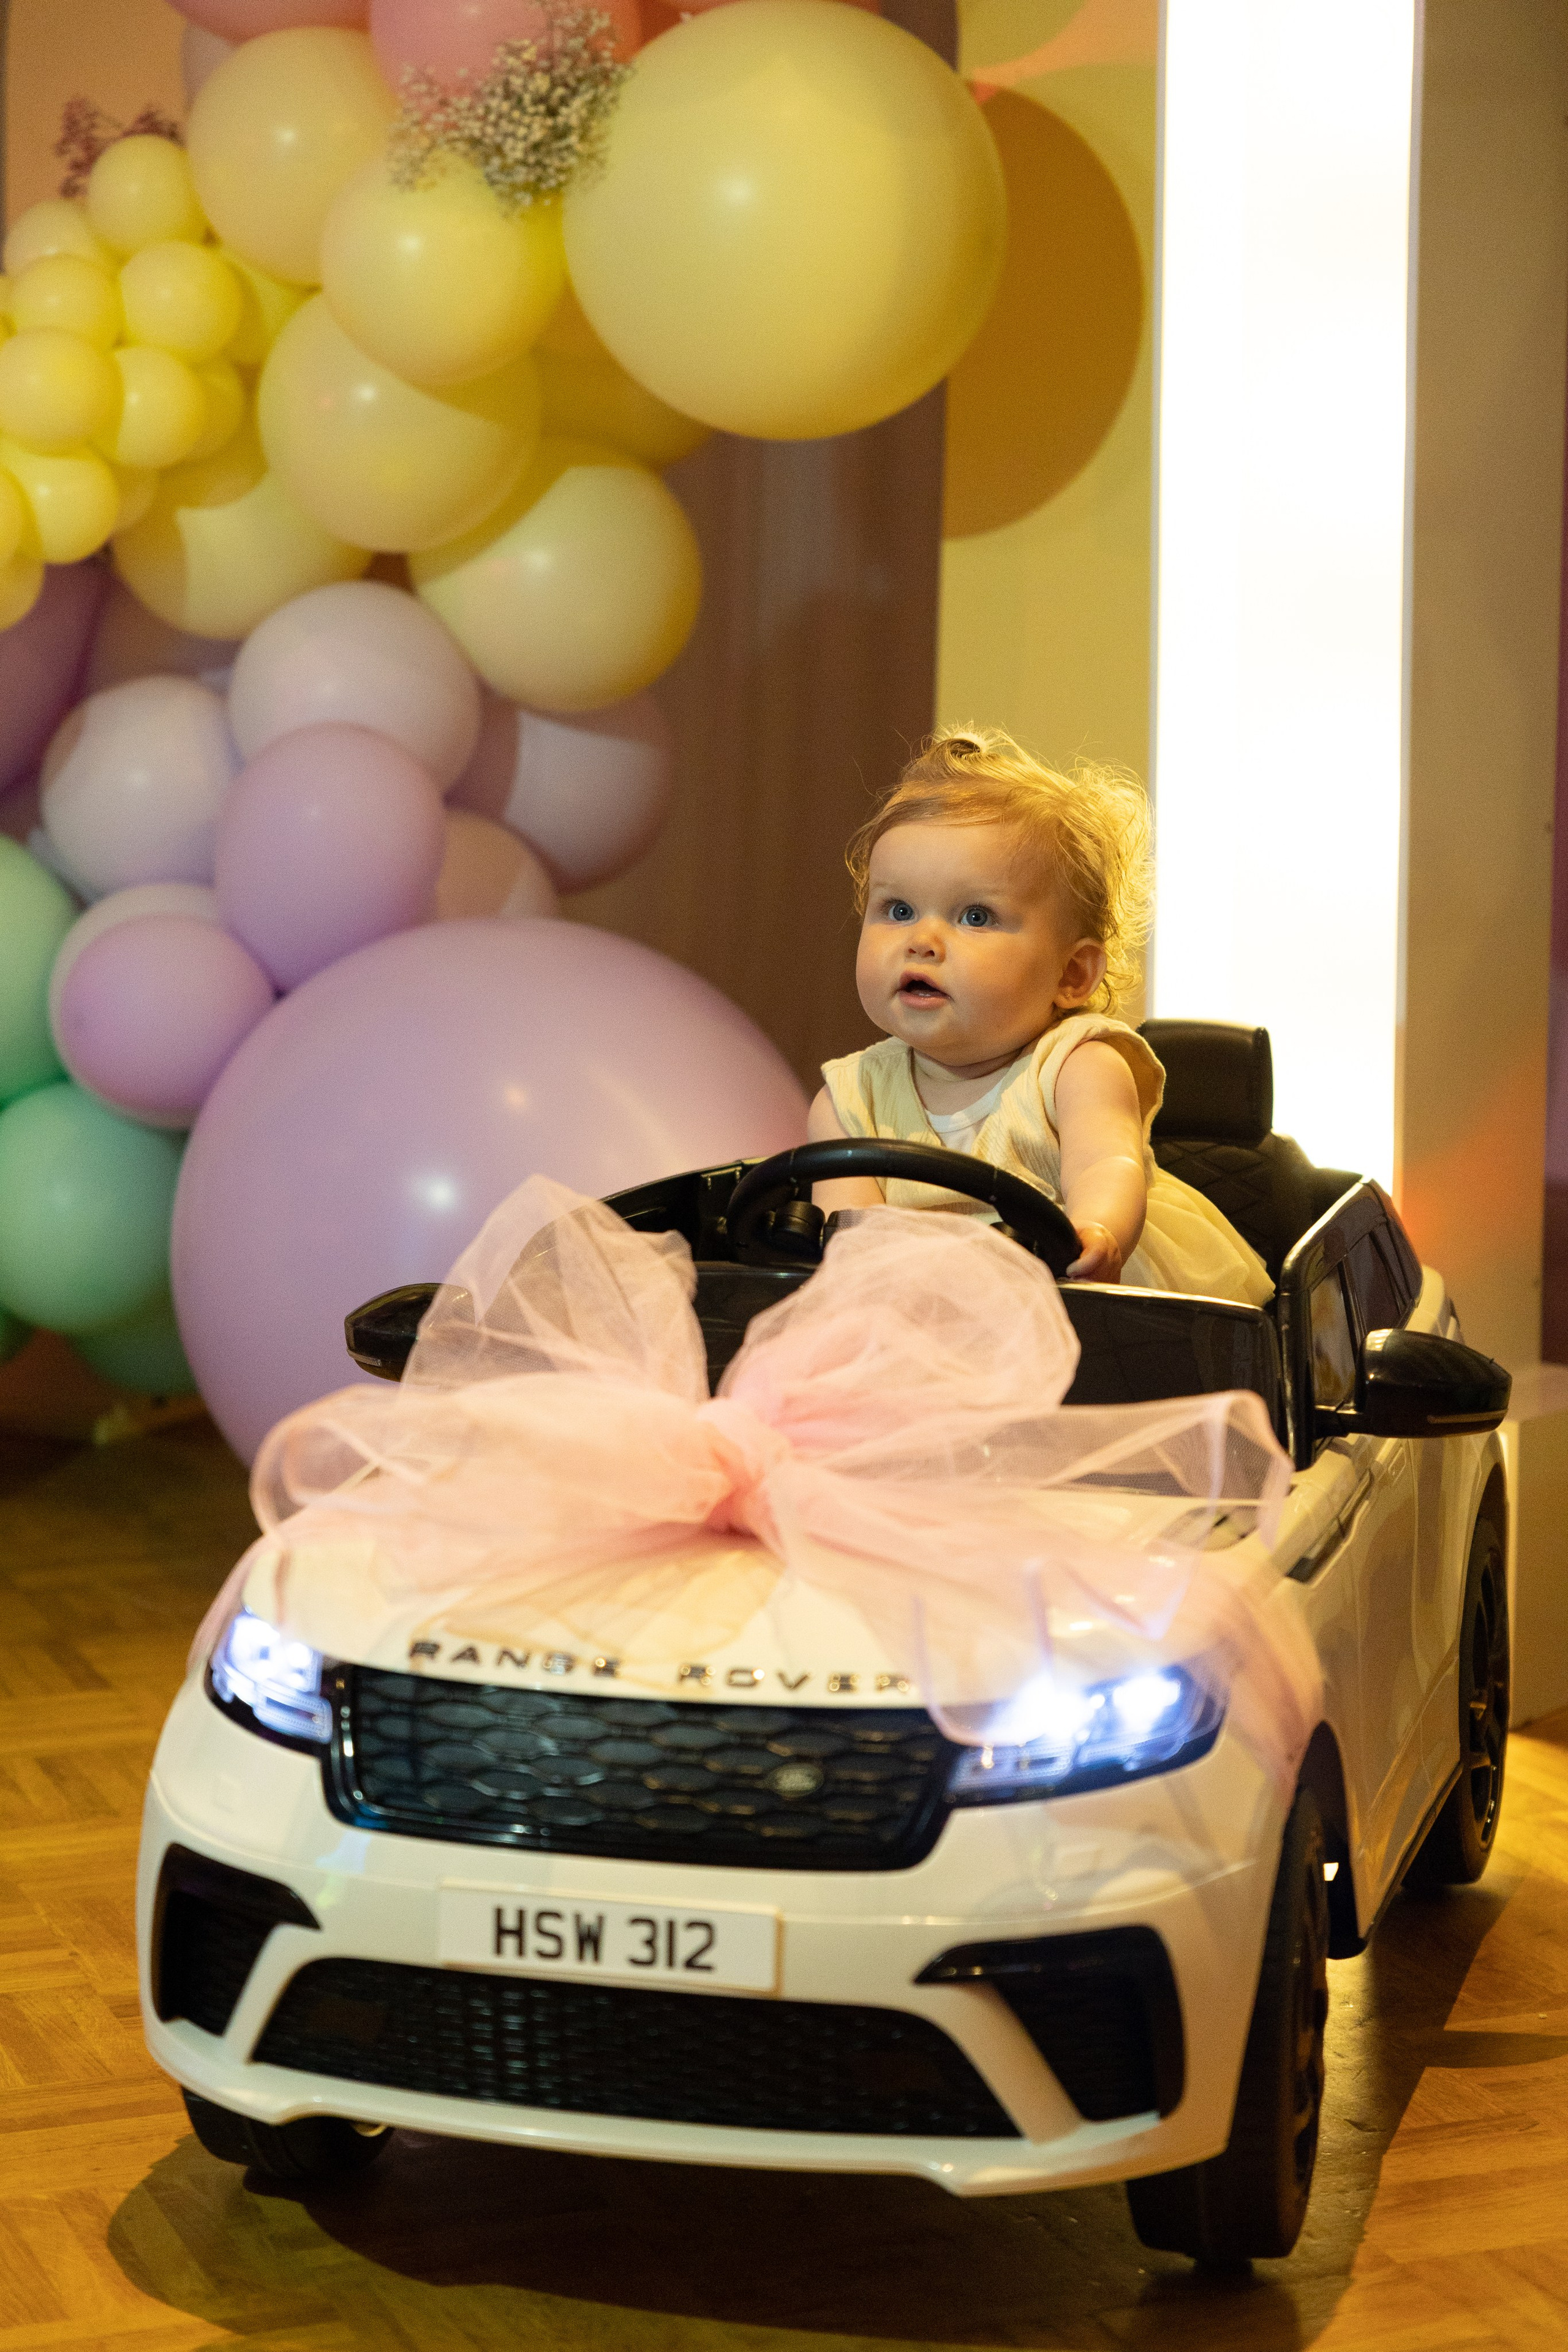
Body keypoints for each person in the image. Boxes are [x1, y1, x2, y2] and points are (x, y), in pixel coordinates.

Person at [810, 726, 1274, 1304]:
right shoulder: (848, 1101)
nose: (922, 940)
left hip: (1085, 1305)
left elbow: (1107, 1162)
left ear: (1071, 975)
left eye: (975, 917)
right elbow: (857, 1250)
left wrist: (1097, 1229)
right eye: (898, 909)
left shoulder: (1077, 1065)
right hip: (921, 1315)